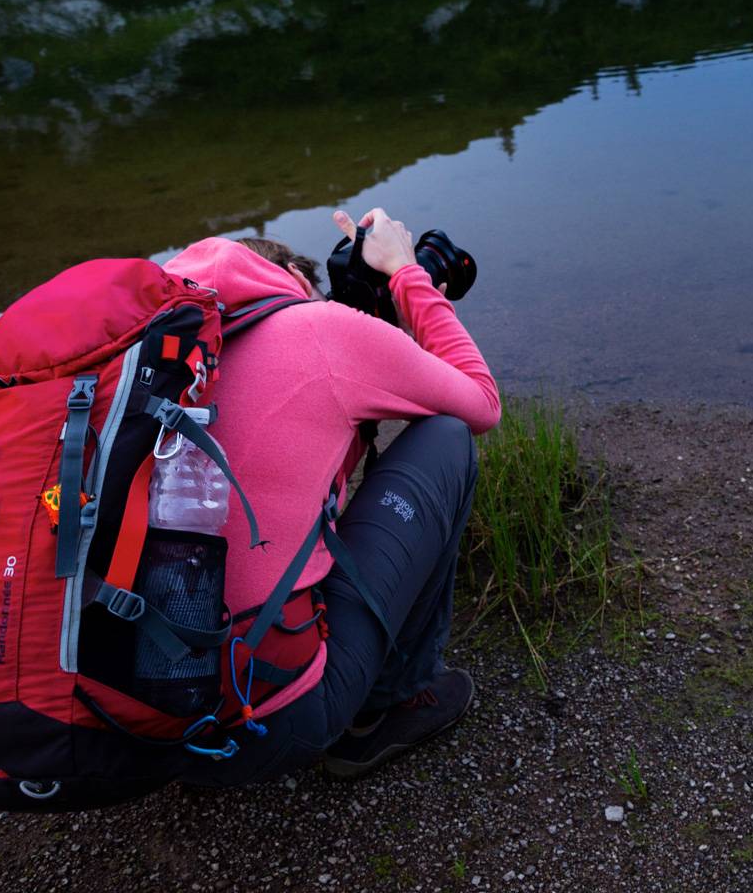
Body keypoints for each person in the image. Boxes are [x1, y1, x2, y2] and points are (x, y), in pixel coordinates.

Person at [161, 207, 500, 785]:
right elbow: (480, 402)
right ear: (291, 275)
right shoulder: (317, 330)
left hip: (115, 719)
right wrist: (404, 274)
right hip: (259, 729)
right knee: (447, 438)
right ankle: (384, 711)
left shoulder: (153, 352)